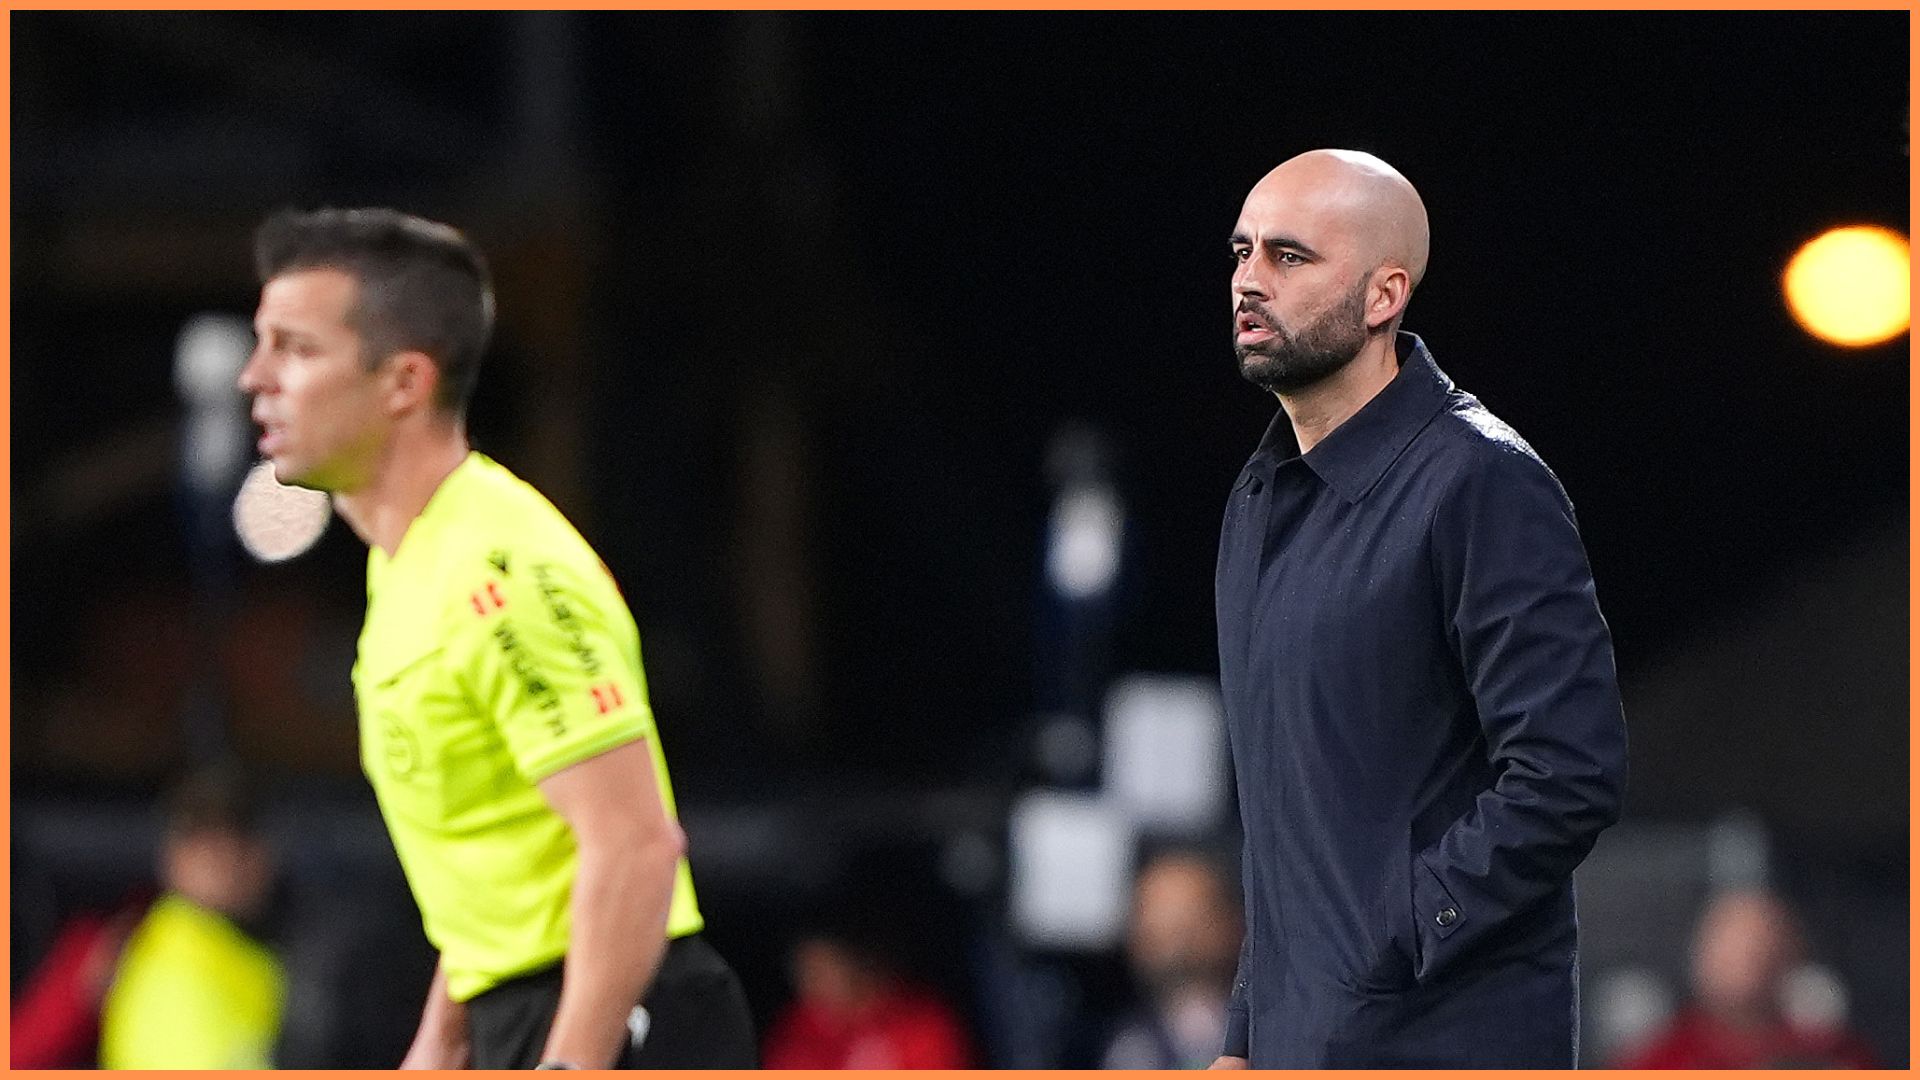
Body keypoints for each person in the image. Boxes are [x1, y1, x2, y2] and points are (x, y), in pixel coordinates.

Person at [236, 208, 755, 1069]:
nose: (256, 377)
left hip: (618, 1015)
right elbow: (510, 860)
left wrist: (570, 1062)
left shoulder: (500, 574)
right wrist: (444, 1037)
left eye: (295, 348)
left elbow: (634, 845)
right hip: (524, 1007)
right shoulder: (407, 563)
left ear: (403, 382)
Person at [1209, 150, 1628, 1068]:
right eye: (1242, 252)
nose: (1247, 280)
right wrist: (1247, 1032)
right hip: (1301, 1045)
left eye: (1289, 257)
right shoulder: (1258, 497)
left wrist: (1396, 929)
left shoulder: (1482, 480)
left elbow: (1569, 770)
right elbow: (1290, 817)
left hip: (1444, 1042)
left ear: (1383, 296)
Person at [97, 766, 285, 1069]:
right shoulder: (173, 972)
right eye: (209, 849)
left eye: (242, 840)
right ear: (173, 858)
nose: (230, 864)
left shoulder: (239, 946)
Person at [1617, 888, 1876, 1068]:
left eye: (1761, 950)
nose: (1746, 964)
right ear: (1701, 957)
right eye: (1731, 950)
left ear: (1791, 958)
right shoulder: (1658, 1058)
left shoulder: (1827, 1053)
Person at [1100, 850, 1241, 1070]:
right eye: (1159, 925)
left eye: (1190, 921)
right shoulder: (1129, 1050)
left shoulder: (1273, 1032)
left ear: (1233, 922)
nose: (1177, 946)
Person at [761, 925, 974, 1069]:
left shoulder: (920, 1022)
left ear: (856, 963)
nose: (811, 984)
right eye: (804, 973)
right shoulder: (799, 1026)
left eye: (822, 971)